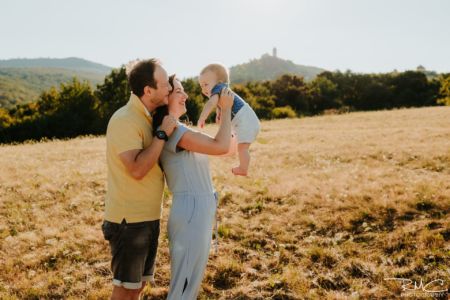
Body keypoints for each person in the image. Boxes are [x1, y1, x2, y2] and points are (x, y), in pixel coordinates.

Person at [152, 74, 234, 299]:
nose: (186, 95)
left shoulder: (178, 129)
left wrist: (224, 117)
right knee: (184, 287)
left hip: (198, 209)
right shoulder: (175, 133)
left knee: (190, 284)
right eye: (179, 91)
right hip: (191, 211)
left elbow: (228, 147)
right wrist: (226, 109)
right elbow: (221, 146)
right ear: (165, 98)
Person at [102, 59, 177, 300]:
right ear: (148, 90)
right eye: (165, 84)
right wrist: (162, 134)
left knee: (137, 287)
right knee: (125, 289)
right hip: (129, 221)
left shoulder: (148, 117)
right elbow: (136, 169)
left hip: (148, 218)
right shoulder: (125, 120)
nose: (169, 89)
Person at [198, 63, 260, 176]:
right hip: (247, 120)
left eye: (206, 84)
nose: (203, 89)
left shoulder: (218, 88)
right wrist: (219, 114)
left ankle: (243, 168)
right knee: (240, 146)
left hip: (245, 121)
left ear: (220, 81)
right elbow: (220, 105)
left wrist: (202, 117)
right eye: (201, 86)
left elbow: (211, 103)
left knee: (242, 148)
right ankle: (242, 166)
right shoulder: (222, 90)